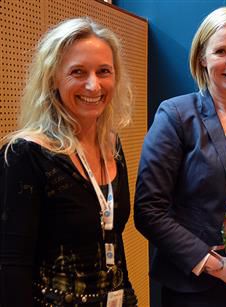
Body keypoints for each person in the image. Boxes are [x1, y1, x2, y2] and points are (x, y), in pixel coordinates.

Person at [134, 6, 226, 307]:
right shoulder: (176, 115)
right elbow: (149, 211)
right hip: (196, 288)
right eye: (221, 51)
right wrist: (219, 266)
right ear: (202, 57)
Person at [0, 18, 137, 306]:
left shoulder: (112, 145)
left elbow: (113, 243)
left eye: (104, 71)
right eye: (78, 72)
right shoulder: (25, 154)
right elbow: (12, 265)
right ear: (53, 78)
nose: (93, 85)